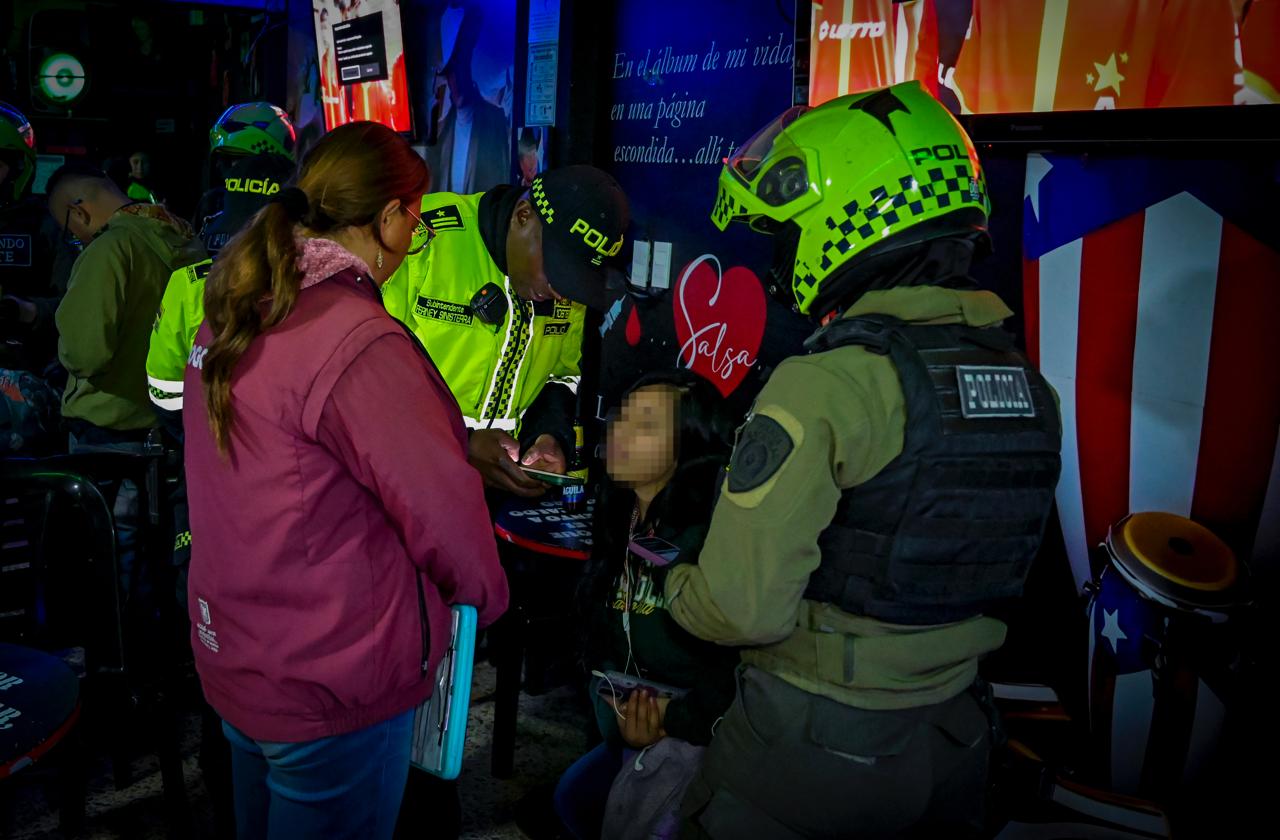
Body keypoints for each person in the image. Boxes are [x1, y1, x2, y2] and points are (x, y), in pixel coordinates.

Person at [668, 81, 1063, 838]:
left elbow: (740, 607)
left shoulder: (830, 381)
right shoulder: (1025, 384)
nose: (781, 254)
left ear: (845, 221)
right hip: (956, 736)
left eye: (787, 232)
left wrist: (672, 582)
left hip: (815, 747)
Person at [182, 120, 508, 840]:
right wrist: (483, 597)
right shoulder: (356, 340)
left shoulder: (240, 306)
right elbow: (441, 508)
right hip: (331, 672)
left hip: (241, 650)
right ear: (388, 217)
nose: (413, 241)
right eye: (415, 223)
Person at [553, 369, 737, 840]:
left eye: (647, 424)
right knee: (573, 801)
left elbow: (738, 670)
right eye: (622, 418)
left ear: (689, 444)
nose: (620, 432)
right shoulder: (621, 519)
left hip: (701, 741)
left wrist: (669, 723)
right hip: (634, 735)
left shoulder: (711, 539)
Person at [380, 164, 629, 497]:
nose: (560, 292)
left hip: (493, 497)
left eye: (575, 280)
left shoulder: (565, 293)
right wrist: (461, 442)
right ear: (523, 216)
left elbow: (561, 376)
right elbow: (368, 386)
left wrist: (547, 436)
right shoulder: (422, 237)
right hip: (397, 484)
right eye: (557, 271)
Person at [0, 100, 72, 373]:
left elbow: (76, 305)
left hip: (29, 368)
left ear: (19, 168)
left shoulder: (48, 225)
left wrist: (26, 310)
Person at [425, 1, 511, 193]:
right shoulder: (440, 131)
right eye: (451, 72)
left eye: (461, 66)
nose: (456, 79)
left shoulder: (496, 122)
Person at [192, 102, 296, 235]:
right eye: (222, 160)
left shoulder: (289, 207)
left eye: (234, 160)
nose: (221, 168)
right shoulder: (212, 204)